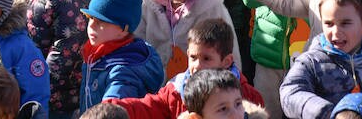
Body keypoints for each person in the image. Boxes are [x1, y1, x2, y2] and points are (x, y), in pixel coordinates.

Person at [109, 19, 264, 119]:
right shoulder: (176, 91)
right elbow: (146, 107)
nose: (197, 65)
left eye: (206, 58)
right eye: (193, 58)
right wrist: (112, 108)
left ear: (226, 61)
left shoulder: (248, 97)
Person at [79, 0, 163, 109]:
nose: (91, 25)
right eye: (90, 18)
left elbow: (112, 113)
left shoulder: (122, 71)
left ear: (124, 29)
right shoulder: (98, 52)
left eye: (101, 21)